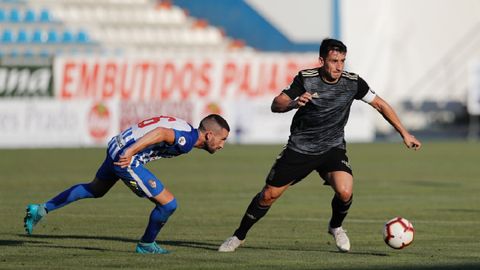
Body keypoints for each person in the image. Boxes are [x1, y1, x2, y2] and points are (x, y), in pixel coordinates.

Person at [218, 38, 422, 253]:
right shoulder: (306, 79)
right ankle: (238, 236)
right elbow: (276, 104)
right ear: (322, 60)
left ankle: (335, 226)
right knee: (269, 195)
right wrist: (294, 103)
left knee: (345, 191)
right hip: (300, 149)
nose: (339, 66)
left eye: (342, 60)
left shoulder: (353, 82)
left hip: (332, 148)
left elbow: (380, 104)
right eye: (334, 61)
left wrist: (404, 133)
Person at [24, 114, 230, 254]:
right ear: (209, 134)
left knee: (96, 189)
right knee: (168, 204)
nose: (222, 145)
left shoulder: (186, 127)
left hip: (116, 144)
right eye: (222, 139)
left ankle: (41, 209)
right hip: (127, 156)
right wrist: (130, 152)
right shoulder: (187, 139)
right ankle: (147, 244)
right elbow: (160, 132)